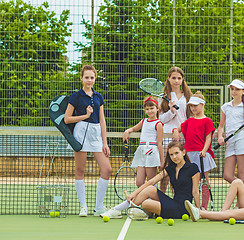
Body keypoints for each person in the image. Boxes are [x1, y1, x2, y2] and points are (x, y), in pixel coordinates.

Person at [100, 141, 200, 219]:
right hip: (173, 203)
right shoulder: (171, 168)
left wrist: (198, 211)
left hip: (184, 209)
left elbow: (195, 191)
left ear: (183, 152)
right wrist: (134, 194)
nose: (174, 157)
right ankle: (117, 210)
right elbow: (151, 181)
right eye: (171, 154)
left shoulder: (193, 168)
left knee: (146, 203)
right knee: (150, 189)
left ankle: (145, 211)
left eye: (176, 153)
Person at [64, 65, 112, 217]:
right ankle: (83, 207)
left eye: (92, 77)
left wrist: (105, 142)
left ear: (95, 78)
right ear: (81, 78)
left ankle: (98, 207)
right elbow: (67, 118)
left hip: (96, 132)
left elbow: (102, 120)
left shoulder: (98, 97)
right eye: (86, 77)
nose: (89, 80)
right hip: (81, 131)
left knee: (107, 169)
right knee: (80, 170)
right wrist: (85, 116)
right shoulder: (75, 96)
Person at [173, 91, 216, 210]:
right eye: (191, 106)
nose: (192, 108)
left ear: (202, 105)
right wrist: (176, 131)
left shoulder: (207, 121)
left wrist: (204, 150)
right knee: (189, 181)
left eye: (195, 105)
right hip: (188, 155)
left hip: (201, 155)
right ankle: (188, 204)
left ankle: (204, 207)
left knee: (204, 180)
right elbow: (178, 128)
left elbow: (208, 138)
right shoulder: (189, 120)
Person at [217, 79, 244, 199]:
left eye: (237, 89)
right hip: (230, 142)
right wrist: (219, 137)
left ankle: (242, 203)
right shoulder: (225, 107)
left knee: (242, 174)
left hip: (243, 140)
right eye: (232, 89)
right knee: (227, 175)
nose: (234, 91)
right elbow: (221, 126)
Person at [159, 66, 192, 193]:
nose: (176, 81)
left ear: (183, 79)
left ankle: (179, 198)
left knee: (183, 168)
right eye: (173, 78)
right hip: (167, 136)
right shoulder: (163, 97)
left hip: (184, 136)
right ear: (168, 79)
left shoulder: (188, 96)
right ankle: (161, 197)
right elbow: (160, 119)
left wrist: (179, 130)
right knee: (166, 168)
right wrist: (171, 112)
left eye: (179, 78)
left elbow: (190, 117)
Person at [122, 96, 164, 187]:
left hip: (152, 152)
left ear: (157, 108)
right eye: (147, 109)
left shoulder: (159, 124)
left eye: (152, 108)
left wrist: (162, 161)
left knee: (150, 182)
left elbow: (160, 143)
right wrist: (127, 131)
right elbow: (134, 128)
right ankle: (144, 199)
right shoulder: (144, 121)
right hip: (141, 151)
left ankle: (152, 200)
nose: (149, 111)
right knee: (139, 182)